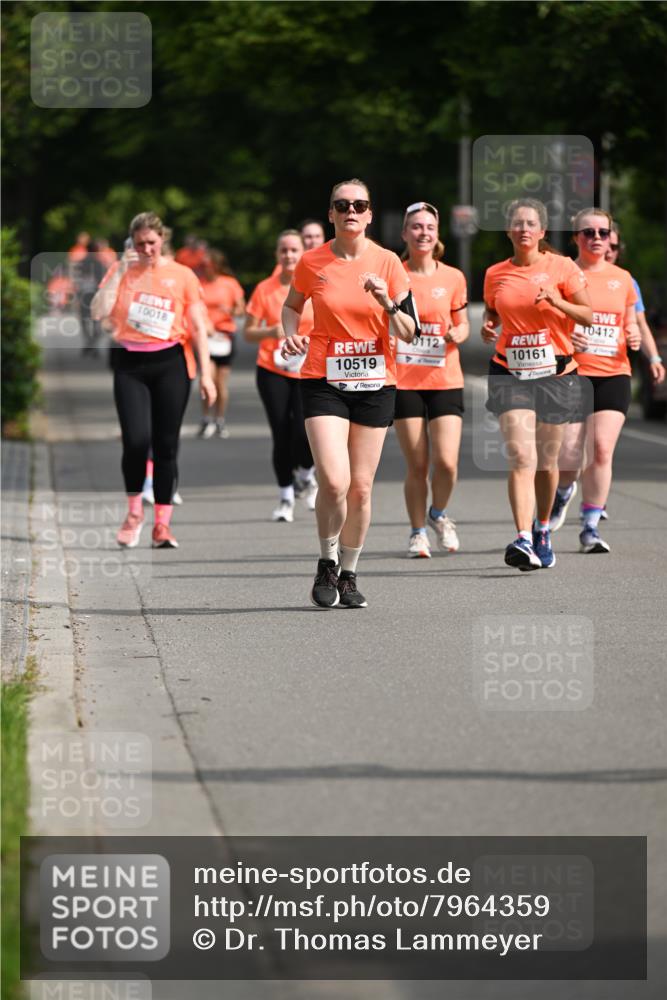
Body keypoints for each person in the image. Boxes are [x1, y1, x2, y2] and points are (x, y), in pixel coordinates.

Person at [281, 178, 416, 607]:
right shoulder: (313, 261)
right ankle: (326, 560)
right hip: (323, 379)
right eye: (343, 205)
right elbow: (291, 306)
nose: (351, 211)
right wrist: (291, 335)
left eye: (359, 205)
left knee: (360, 487)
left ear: (370, 214)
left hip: (376, 383)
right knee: (334, 481)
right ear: (332, 213)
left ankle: (350, 572)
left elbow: (410, 332)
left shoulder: (390, 262)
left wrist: (386, 301)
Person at [91, 212, 216, 548]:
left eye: (152, 242)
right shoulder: (123, 273)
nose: (146, 249)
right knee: (135, 441)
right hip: (130, 362)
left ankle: (162, 524)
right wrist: (118, 270)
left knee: (165, 445)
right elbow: (98, 312)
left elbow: (198, 327)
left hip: (171, 363)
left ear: (163, 240)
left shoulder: (182, 275)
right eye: (140, 243)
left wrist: (207, 375)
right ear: (131, 242)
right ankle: (134, 514)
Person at [481, 197, 592, 571]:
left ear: (542, 231)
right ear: (509, 230)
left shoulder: (561, 267)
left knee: (547, 462)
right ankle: (522, 537)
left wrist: (559, 302)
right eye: (517, 223)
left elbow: (588, 316)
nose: (523, 229)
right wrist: (489, 324)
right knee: (521, 456)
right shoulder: (496, 272)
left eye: (531, 224)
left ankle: (542, 528)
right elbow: (494, 309)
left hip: (557, 374)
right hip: (509, 371)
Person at [549, 210, 665, 550]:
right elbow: (547, 323)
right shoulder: (562, 274)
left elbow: (631, 324)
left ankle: (590, 526)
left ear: (610, 238)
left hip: (613, 373)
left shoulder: (624, 279)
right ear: (576, 237)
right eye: (588, 232)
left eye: (603, 232)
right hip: (572, 373)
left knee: (600, 449)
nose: (596, 237)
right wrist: (569, 338)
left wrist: (636, 340)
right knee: (569, 454)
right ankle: (562, 492)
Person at [394, 201, 469, 558]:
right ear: (405, 233)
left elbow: (464, 322)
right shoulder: (395, 274)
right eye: (416, 227)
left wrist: (459, 333)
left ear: (437, 235)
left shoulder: (453, 277)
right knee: (417, 464)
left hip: (445, 379)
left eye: (429, 227)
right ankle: (417, 531)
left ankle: (438, 514)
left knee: (448, 462)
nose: (423, 233)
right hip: (405, 381)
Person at [245, 230, 317, 521]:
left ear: (303, 253)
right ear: (277, 255)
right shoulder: (265, 289)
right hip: (272, 369)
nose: (289, 256)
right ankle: (286, 496)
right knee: (281, 433)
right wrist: (269, 331)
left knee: (305, 432)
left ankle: (306, 472)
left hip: (308, 369)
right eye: (283, 251)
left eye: (294, 250)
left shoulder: (315, 285)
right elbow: (248, 332)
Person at [197, 249, 245, 439]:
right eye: (202, 266)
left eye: (206, 266)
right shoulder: (199, 284)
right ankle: (206, 419)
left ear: (216, 265)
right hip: (207, 336)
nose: (203, 269)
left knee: (220, 383)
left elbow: (242, 309)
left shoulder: (229, 284)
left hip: (225, 336)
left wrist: (231, 311)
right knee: (208, 379)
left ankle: (220, 419)